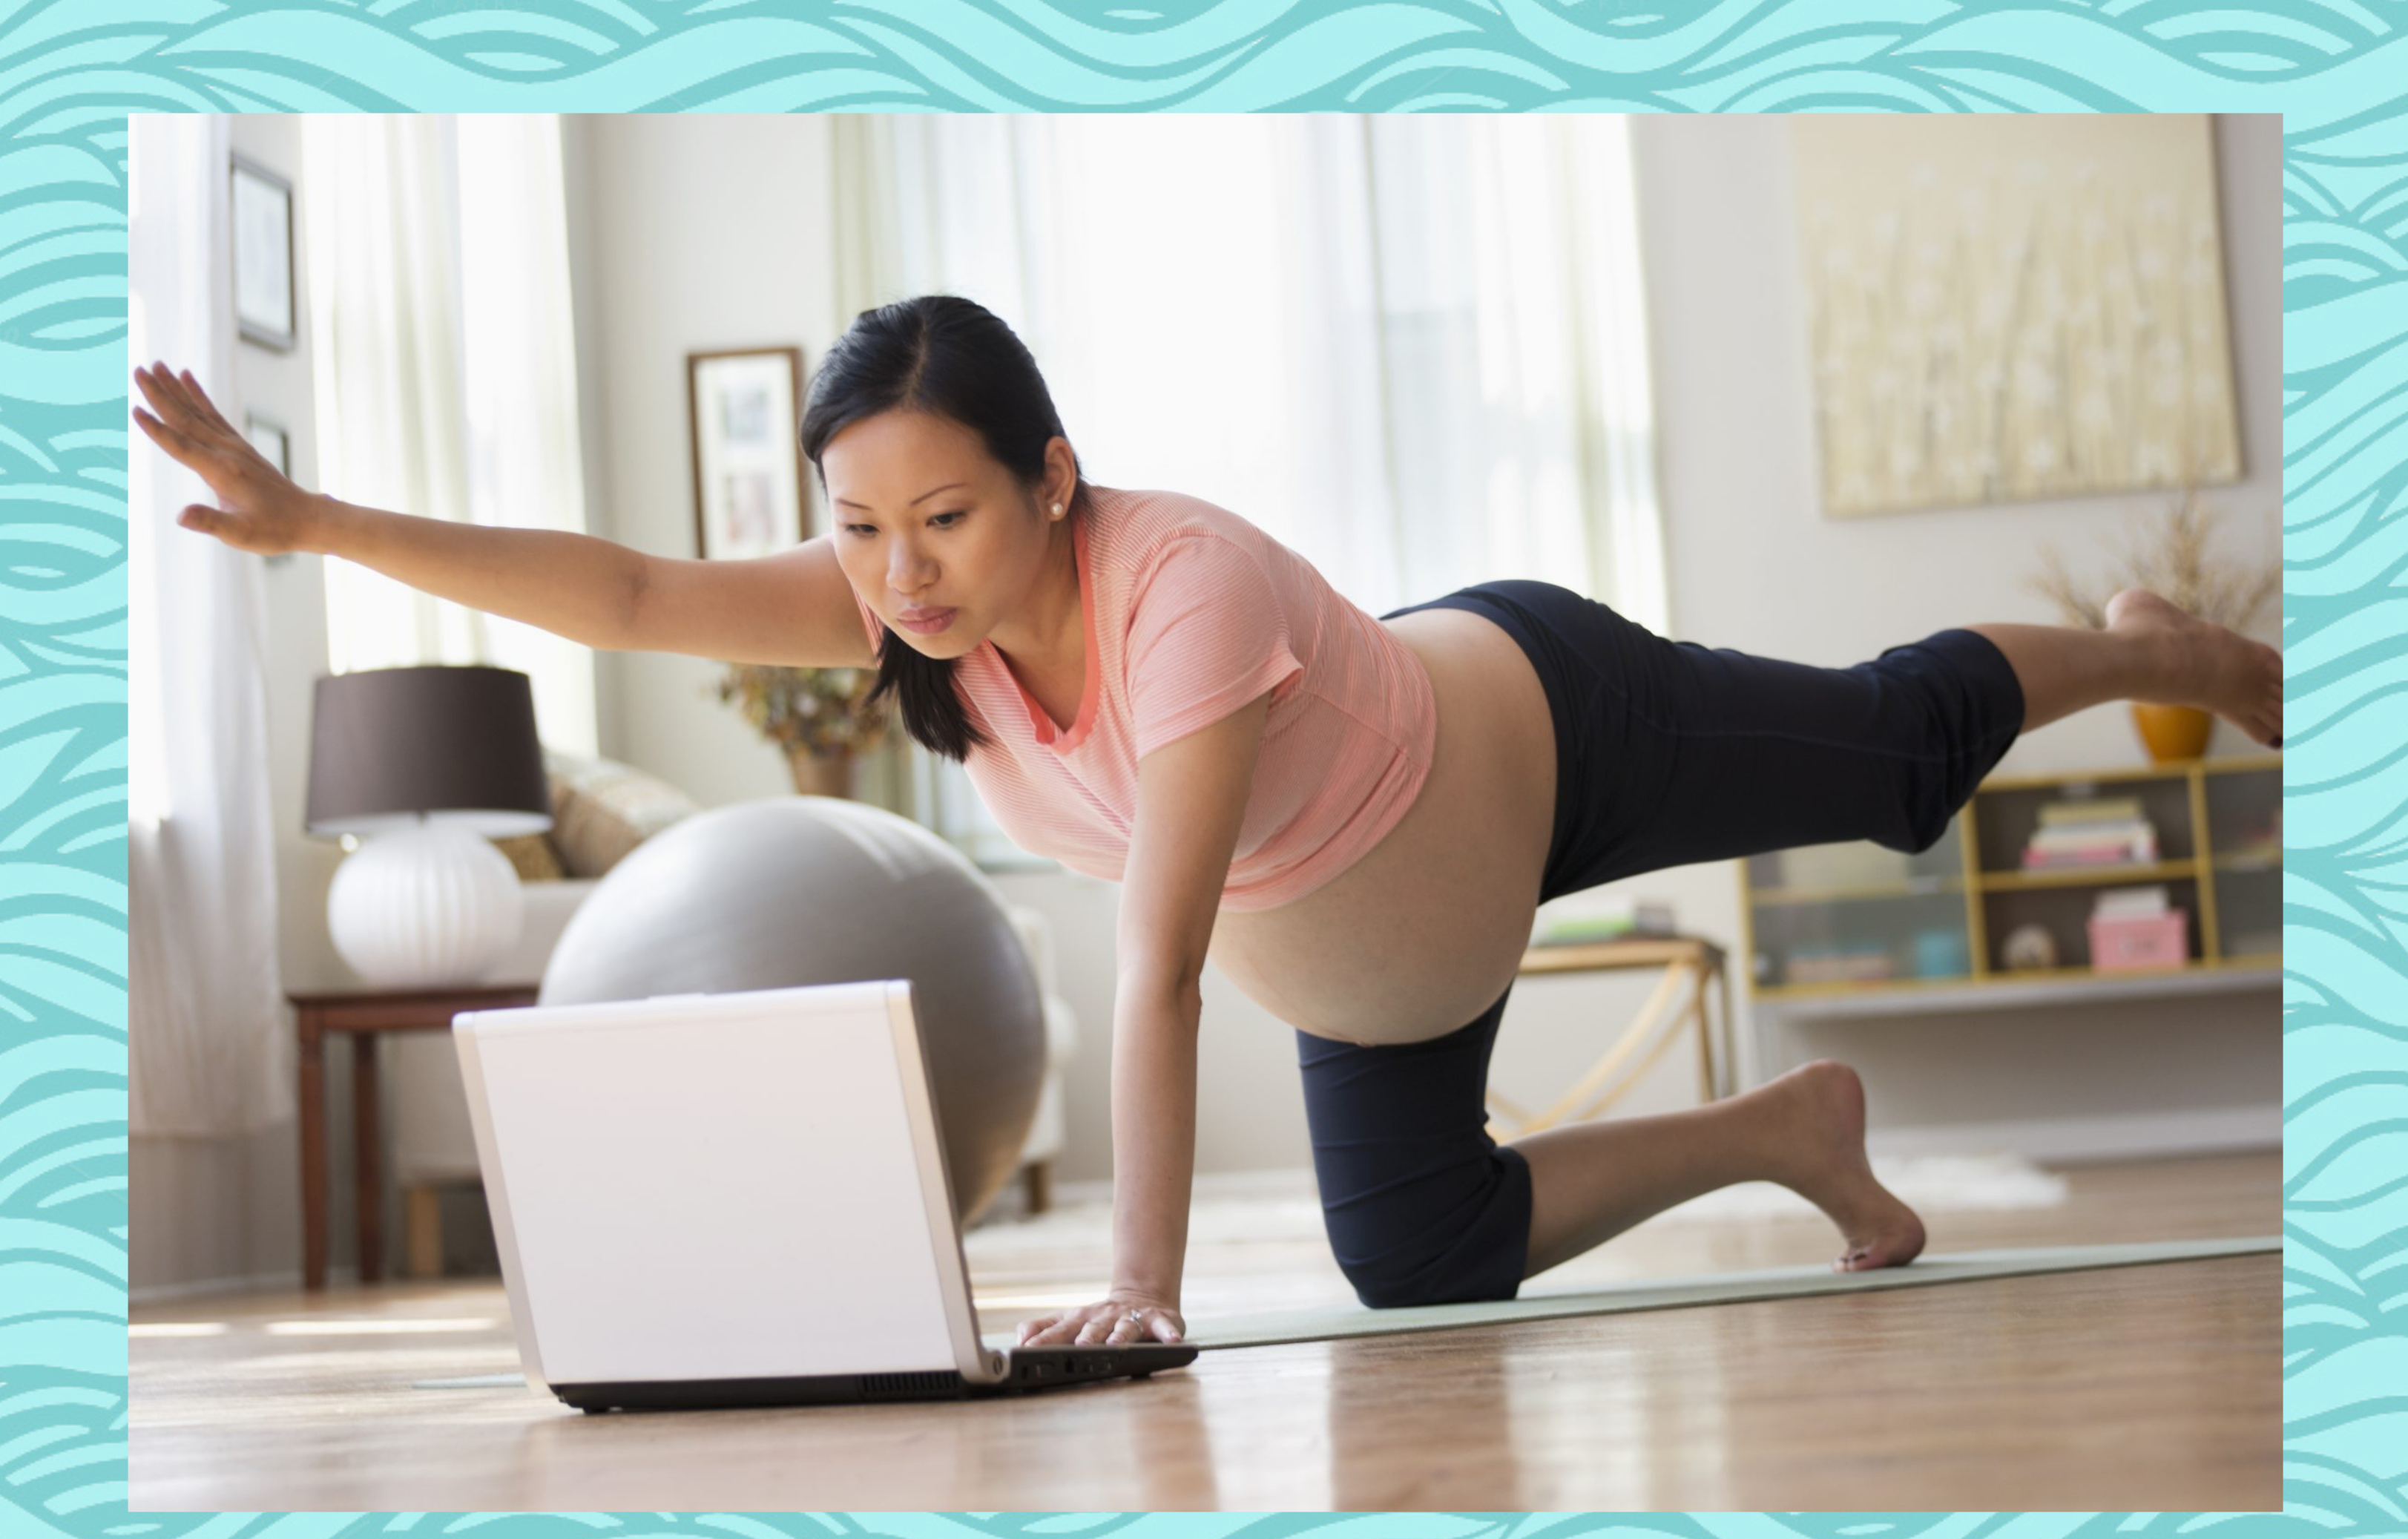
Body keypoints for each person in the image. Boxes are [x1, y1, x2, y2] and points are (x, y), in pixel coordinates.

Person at [131, 295, 2284, 1349]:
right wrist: (315, 517)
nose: (897, 567)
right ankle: (1790, 1135)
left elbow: (1153, 959)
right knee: (1411, 1256)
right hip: (1392, 923)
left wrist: (1141, 1275)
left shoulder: (1181, 588)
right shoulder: (917, 617)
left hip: (1538, 722)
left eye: (944, 512)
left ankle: (2159, 651)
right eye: (859, 525)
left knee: (1898, 759)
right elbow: (615, 590)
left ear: (1053, 473)